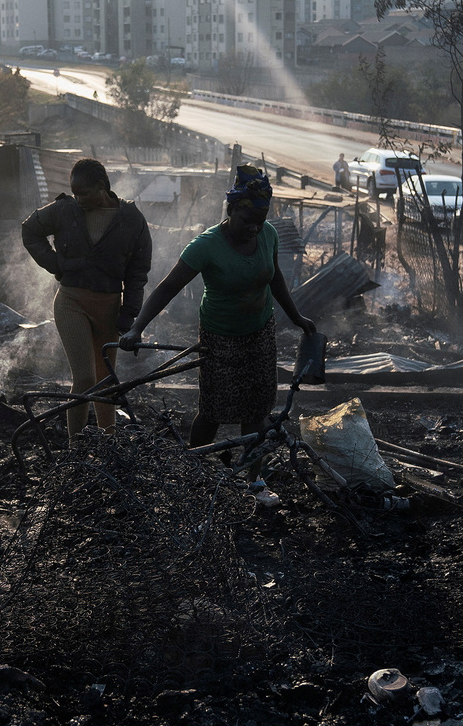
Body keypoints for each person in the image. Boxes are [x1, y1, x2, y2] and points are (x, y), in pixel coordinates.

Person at [119, 165, 316, 502]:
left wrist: (296, 316)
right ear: (231, 210)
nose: (254, 227)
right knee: (213, 409)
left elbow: (274, 276)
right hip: (220, 335)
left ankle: (255, 482)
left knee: (257, 410)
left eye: (260, 218)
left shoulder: (268, 234)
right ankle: (193, 473)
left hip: (260, 332)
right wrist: (138, 327)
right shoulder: (207, 245)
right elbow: (167, 288)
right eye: (247, 219)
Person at [22, 158, 153, 440]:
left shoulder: (131, 219)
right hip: (71, 303)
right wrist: (57, 264)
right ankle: (76, 451)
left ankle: (108, 445)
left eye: (84, 193)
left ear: (102, 187)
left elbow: (137, 272)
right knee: (84, 378)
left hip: (109, 308)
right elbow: (29, 230)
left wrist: (129, 313)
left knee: (106, 380)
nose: (79, 199)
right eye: (75, 193)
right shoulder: (65, 210)